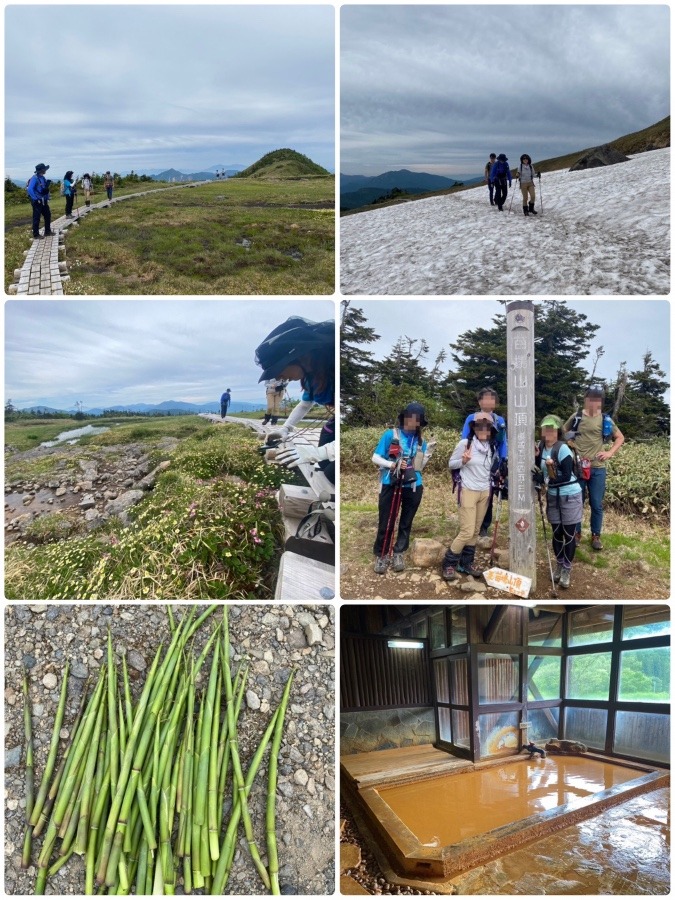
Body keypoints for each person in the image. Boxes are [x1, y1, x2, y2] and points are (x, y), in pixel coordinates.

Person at [255, 316, 335, 484]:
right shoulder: (310, 377)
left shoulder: (333, 369)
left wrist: (316, 453)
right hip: (332, 427)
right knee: (324, 464)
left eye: (279, 369)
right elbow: (305, 403)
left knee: (331, 474)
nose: (278, 376)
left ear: (298, 358)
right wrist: (286, 428)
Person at [372, 402, 433, 574]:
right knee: (386, 520)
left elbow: (420, 467)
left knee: (406, 522)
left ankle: (399, 551)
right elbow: (375, 457)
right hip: (390, 483)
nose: (413, 422)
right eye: (411, 417)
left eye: (417, 419)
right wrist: (392, 465)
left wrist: (426, 456)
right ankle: (382, 553)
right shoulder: (391, 435)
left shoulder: (422, 441)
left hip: (414, 485)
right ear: (404, 418)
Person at [563, 386, 624, 551]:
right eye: (591, 398)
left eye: (598, 399)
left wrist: (610, 452)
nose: (594, 402)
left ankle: (596, 535)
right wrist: (570, 443)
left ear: (601, 402)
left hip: (598, 467)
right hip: (578, 467)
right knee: (577, 503)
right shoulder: (576, 416)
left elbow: (620, 437)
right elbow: (563, 430)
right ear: (586, 399)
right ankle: (576, 534)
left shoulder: (605, 420)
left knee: (596, 504)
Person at [442, 413, 498, 581]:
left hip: (484, 491)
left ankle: (466, 563)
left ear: (491, 430)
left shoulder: (492, 447)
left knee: (475, 531)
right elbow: (451, 464)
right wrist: (463, 461)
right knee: (466, 531)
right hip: (467, 489)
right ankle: (449, 563)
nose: (483, 430)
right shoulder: (465, 444)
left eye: (486, 427)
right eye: (479, 426)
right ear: (473, 427)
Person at [534, 415, 582, 590]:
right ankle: (559, 564)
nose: (548, 432)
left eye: (552, 429)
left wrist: (545, 481)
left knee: (568, 534)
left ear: (558, 431)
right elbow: (539, 469)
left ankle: (567, 570)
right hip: (553, 496)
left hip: (570, 494)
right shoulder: (540, 447)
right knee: (556, 532)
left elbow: (566, 473)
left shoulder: (562, 449)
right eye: (545, 428)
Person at [461, 388, 507, 538]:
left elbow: (502, 442)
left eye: (491, 399)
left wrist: (503, 460)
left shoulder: (499, 420)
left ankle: (483, 526)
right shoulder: (471, 418)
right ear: (479, 401)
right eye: (485, 399)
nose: (488, 402)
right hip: (473, 461)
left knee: (489, 494)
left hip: (491, 461)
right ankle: (469, 524)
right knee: (470, 492)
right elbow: (464, 438)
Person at [26, 163, 53, 238]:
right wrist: (35, 199)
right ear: (42, 170)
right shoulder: (34, 178)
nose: (45, 170)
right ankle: (36, 234)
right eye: (44, 169)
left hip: (43, 200)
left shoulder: (43, 178)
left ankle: (47, 231)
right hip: (37, 201)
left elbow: (45, 189)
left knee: (47, 215)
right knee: (36, 217)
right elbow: (30, 189)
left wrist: (47, 198)